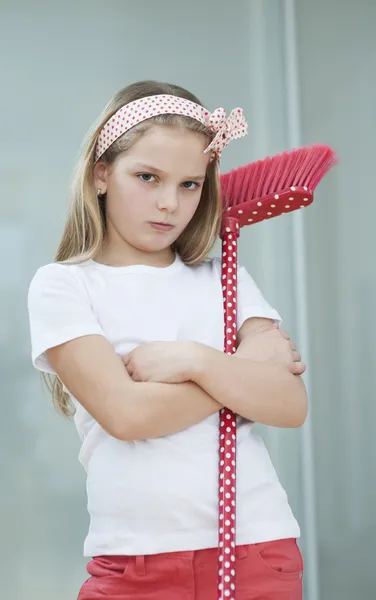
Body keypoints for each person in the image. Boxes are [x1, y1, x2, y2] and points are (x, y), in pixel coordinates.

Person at [27, 80, 307, 600]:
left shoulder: (225, 278)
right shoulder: (66, 284)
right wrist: (236, 370)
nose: (168, 203)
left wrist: (195, 360)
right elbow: (127, 416)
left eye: (189, 185)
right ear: (102, 174)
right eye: (148, 177)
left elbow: (289, 404)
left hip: (254, 545)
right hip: (135, 561)